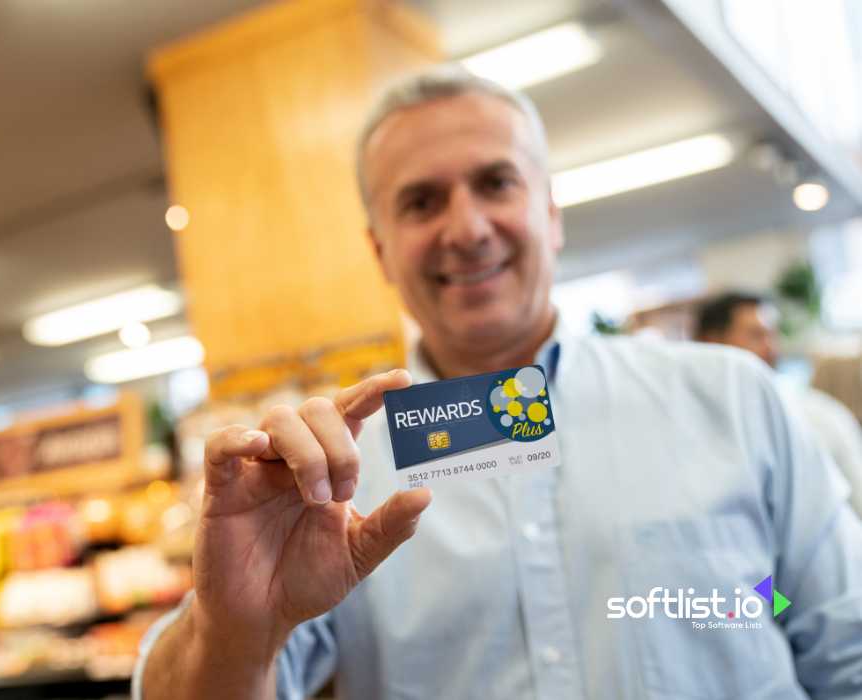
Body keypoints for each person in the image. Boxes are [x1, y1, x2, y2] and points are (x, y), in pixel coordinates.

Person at [135, 67, 862, 699]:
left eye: (496, 183)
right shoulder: (328, 481)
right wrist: (230, 630)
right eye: (421, 202)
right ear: (380, 250)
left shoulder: (732, 398)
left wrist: (747, 601)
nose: (467, 227)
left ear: (550, 211)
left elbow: (841, 644)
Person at [696, 291, 862, 518]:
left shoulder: (821, 417)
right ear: (711, 341)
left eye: (772, 335)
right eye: (756, 336)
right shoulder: (693, 426)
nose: (771, 348)